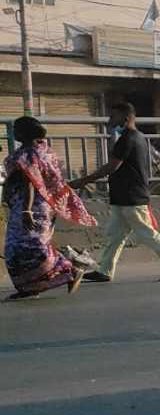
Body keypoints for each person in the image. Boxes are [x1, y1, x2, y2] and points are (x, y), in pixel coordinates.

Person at [73, 100, 160, 283]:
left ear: (126, 117)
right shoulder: (137, 137)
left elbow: (112, 166)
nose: (110, 119)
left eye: (114, 116)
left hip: (131, 197)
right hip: (124, 196)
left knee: (147, 234)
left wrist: (83, 181)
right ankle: (105, 271)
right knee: (115, 235)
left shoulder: (128, 139)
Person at [4, 115, 96, 298]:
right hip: (39, 205)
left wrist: (26, 210)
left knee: (27, 246)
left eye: (17, 129)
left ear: (25, 132)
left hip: (33, 207)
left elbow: (31, 182)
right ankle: (30, 287)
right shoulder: (41, 151)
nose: (14, 133)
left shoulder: (29, 154)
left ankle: (70, 268)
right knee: (24, 247)